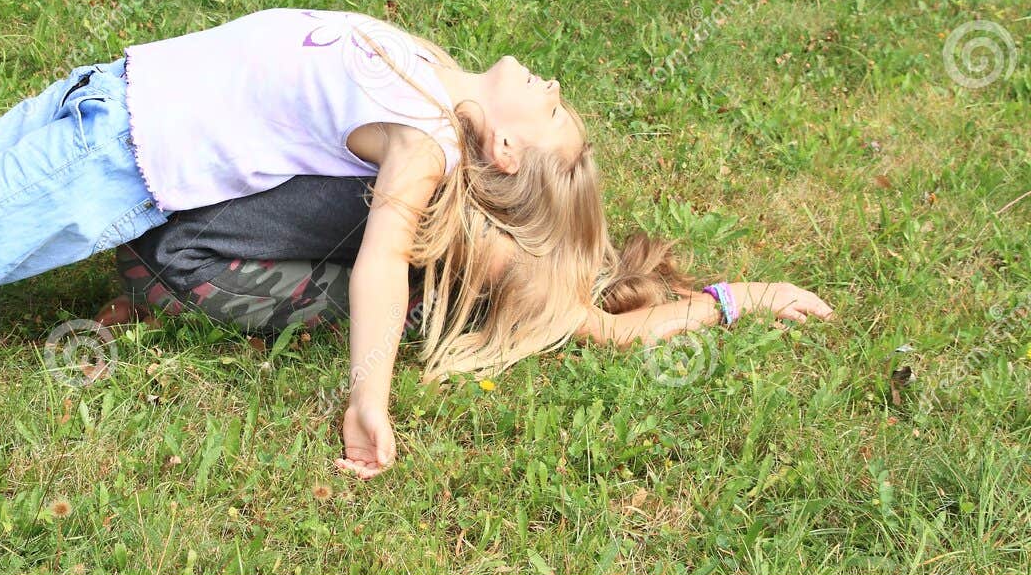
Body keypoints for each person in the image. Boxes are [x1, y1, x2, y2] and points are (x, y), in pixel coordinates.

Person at [0, 7, 830, 480]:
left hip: (115, 167)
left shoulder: (429, 150)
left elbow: (385, 262)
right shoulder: (444, 84)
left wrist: (365, 402)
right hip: (100, 96)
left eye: (548, 107)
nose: (546, 78)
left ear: (502, 156)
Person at [97, 174, 835, 343]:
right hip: (176, 256)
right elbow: (613, 334)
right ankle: (153, 299)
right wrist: (738, 297)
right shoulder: (499, 255)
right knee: (413, 310)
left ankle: (148, 293)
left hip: (157, 200)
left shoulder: (470, 175)